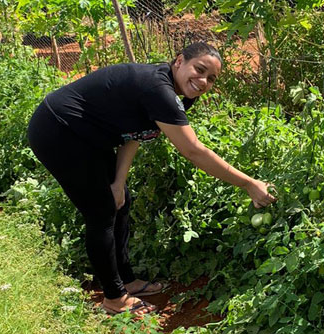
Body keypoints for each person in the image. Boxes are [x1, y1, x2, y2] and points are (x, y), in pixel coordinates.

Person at [26, 42, 276, 316]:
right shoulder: (158, 89)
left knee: (120, 201)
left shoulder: (181, 92)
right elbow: (193, 150)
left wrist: (119, 182)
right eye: (200, 70)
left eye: (212, 78)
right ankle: (113, 299)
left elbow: (136, 132)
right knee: (101, 211)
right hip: (58, 129)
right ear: (179, 61)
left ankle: (127, 282)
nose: (203, 81)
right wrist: (249, 183)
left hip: (90, 137)